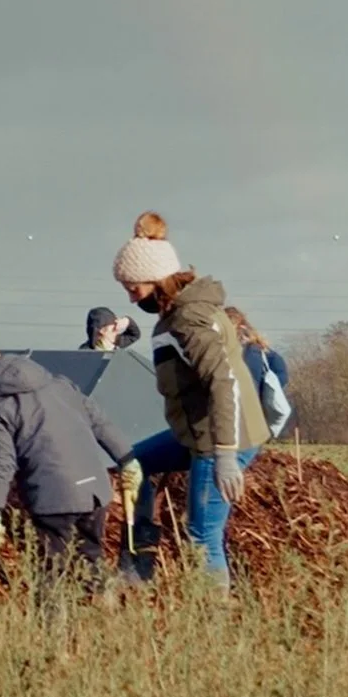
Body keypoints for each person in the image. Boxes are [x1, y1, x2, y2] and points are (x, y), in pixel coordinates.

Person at [112, 211, 271, 585]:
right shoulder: (177, 315)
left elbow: (223, 381)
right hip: (198, 432)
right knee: (134, 464)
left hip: (220, 438)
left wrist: (227, 455)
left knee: (202, 536)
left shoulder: (190, 319)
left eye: (133, 288)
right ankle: (139, 565)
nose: (131, 298)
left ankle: (212, 625)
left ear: (156, 280)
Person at [0, 348, 133, 582]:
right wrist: (128, 460)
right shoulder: (61, 386)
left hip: (54, 498)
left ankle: (52, 618)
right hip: (95, 492)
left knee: (52, 573)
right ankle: (105, 611)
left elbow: (1, 464)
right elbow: (101, 424)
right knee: (91, 559)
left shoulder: (0, 408)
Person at [226, 305, 293, 442]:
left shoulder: (232, 348)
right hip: (256, 413)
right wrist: (267, 392)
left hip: (236, 411)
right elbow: (281, 372)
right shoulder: (259, 348)